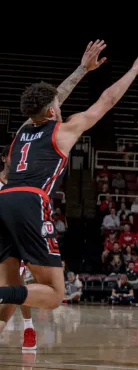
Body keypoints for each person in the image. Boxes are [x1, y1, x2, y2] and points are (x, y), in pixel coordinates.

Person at [0, 40, 138, 321]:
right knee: (55, 294)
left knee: (9, 289)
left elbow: (54, 98)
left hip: (4, 199)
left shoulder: (21, 132)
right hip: (31, 200)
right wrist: (134, 70)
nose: (60, 101)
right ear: (52, 112)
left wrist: (83, 69)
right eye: (56, 103)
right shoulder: (63, 132)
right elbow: (107, 101)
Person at [0, 146, 37, 349]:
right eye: (12, 155)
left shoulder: (22, 185)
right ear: (4, 158)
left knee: (15, 283)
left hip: (14, 239)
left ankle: (28, 327)